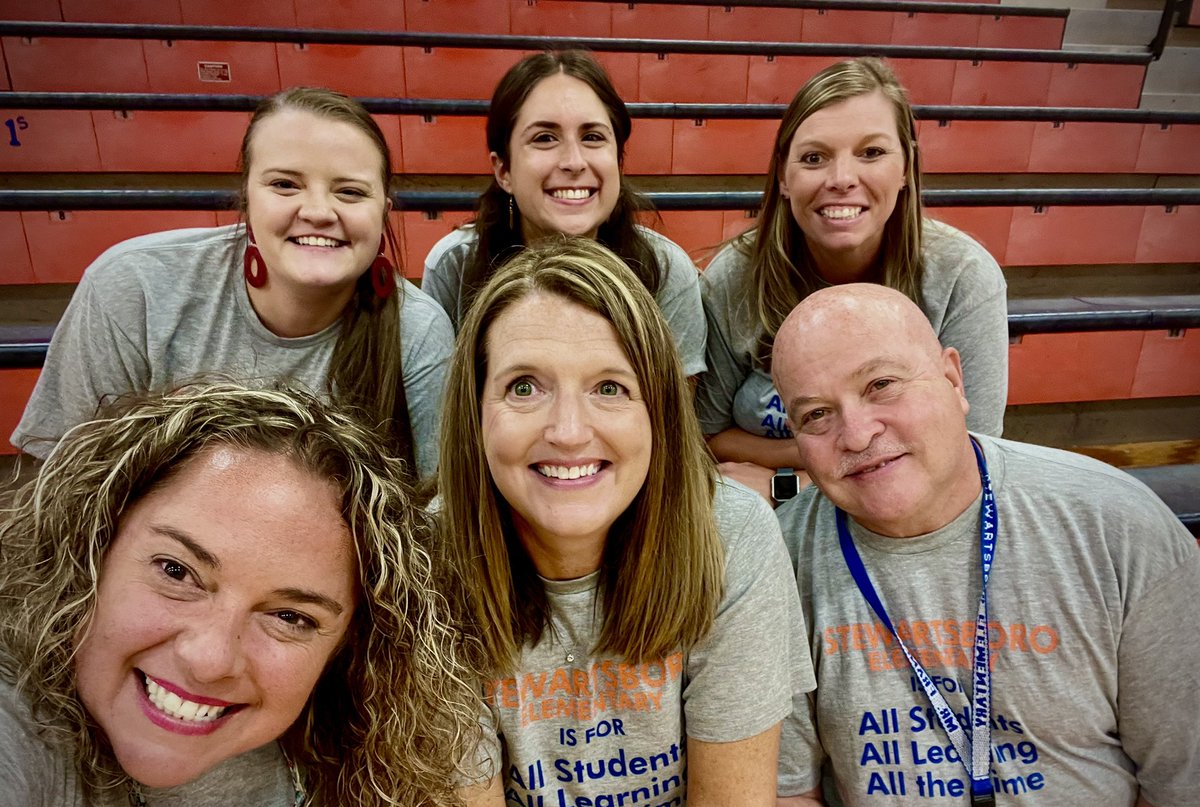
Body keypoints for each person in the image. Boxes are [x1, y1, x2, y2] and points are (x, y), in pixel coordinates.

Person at [770, 282, 1200, 807]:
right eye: (816, 414)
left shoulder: (1117, 527)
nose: (857, 433)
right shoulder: (778, 563)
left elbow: (1183, 783)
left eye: (880, 385)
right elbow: (788, 794)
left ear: (953, 378)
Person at [0, 383, 481, 807]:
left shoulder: (355, 744)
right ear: (94, 547)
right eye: (176, 571)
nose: (209, 660)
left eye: (290, 617)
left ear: (347, 645)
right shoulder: (26, 735)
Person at [435, 236, 805, 807]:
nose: (570, 430)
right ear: (475, 414)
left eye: (610, 387)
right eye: (524, 386)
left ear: (657, 410)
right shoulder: (434, 560)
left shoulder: (732, 537)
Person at [12, 87, 453, 480]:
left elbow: (438, 506)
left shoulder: (418, 330)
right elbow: (63, 483)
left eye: (350, 192)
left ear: (384, 212)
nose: (319, 211)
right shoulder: (135, 285)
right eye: (285, 184)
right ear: (247, 196)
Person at [699, 58, 1009, 503]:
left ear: (906, 169)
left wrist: (793, 478)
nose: (842, 179)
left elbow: (972, 451)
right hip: (770, 520)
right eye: (814, 158)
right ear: (784, 177)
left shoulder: (962, 275)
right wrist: (847, 460)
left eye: (871, 153)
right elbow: (709, 437)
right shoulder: (734, 278)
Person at [421, 50, 706, 380]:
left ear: (619, 161)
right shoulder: (454, 267)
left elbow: (675, 425)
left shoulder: (665, 271)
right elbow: (446, 422)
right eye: (544, 138)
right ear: (503, 171)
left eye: (592, 137)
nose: (574, 161)